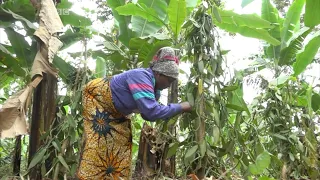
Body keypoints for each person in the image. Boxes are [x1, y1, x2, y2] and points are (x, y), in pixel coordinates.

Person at [76, 47, 193, 179]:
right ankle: (90, 176)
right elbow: (151, 112)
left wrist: (173, 111)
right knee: (100, 142)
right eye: (169, 80)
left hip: (116, 112)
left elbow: (146, 114)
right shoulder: (141, 77)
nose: (169, 84)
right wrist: (181, 107)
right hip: (97, 100)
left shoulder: (154, 90)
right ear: (159, 74)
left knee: (122, 142)